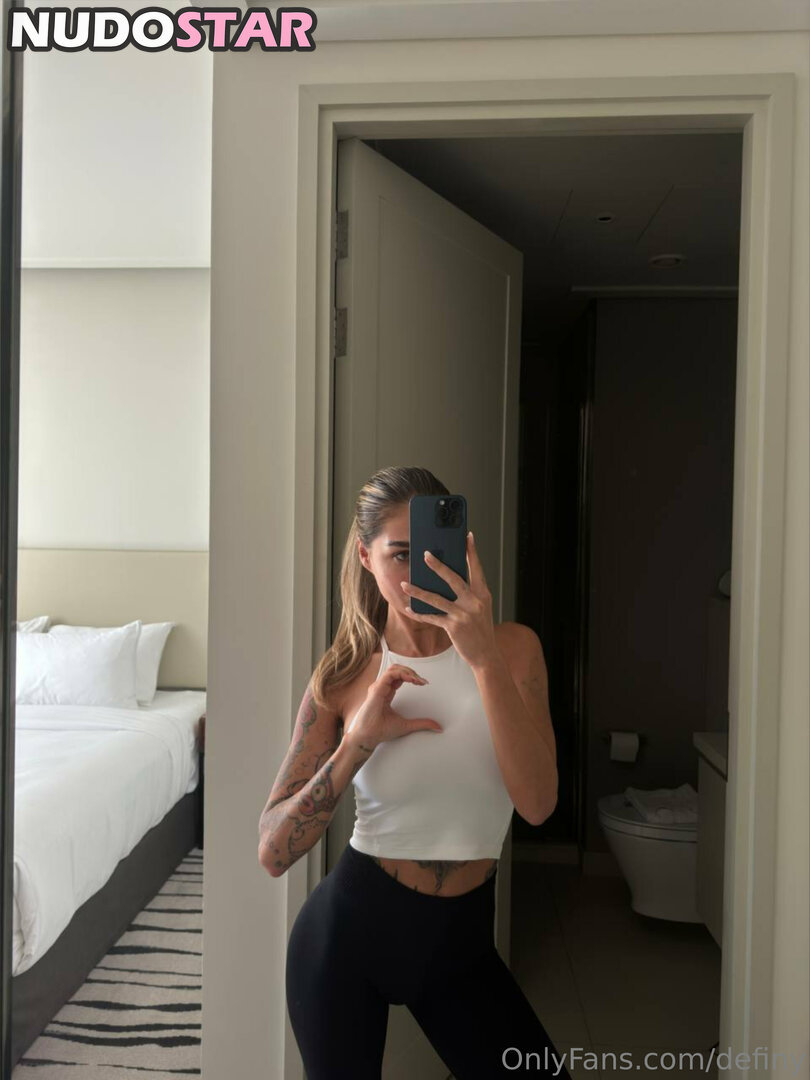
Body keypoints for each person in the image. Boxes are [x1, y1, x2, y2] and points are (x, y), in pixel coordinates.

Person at [258, 465, 571, 1080]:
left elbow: (537, 805)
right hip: (345, 941)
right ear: (365, 557)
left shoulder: (514, 650)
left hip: (462, 948)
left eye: (434, 551)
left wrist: (482, 661)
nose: (419, 570)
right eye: (399, 554)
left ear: (462, 550)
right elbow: (272, 850)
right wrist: (357, 744)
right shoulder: (345, 673)